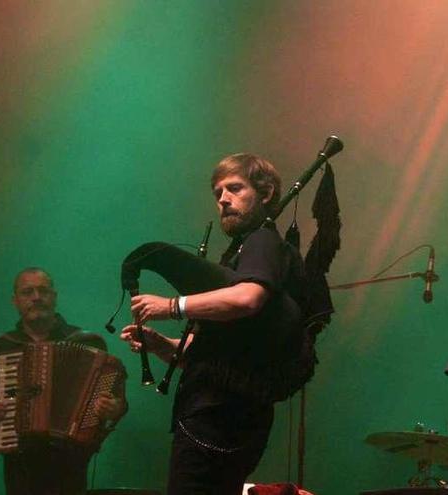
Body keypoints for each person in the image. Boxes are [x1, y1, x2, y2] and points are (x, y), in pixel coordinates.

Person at [120, 153, 308, 495]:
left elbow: (248, 298)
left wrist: (172, 305)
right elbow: (210, 354)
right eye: (218, 192)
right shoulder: (242, 251)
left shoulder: (262, 241)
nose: (223, 199)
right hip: (217, 415)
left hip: (219, 418)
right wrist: (160, 343)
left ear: (265, 194)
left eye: (235, 188)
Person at [0, 268, 127, 495]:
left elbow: (118, 403)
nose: (36, 297)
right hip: (20, 461)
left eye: (43, 291)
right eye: (27, 292)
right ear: (16, 301)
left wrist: (113, 408)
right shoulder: (4, 346)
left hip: (70, 460)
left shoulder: (88, 341)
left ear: (54, 297)